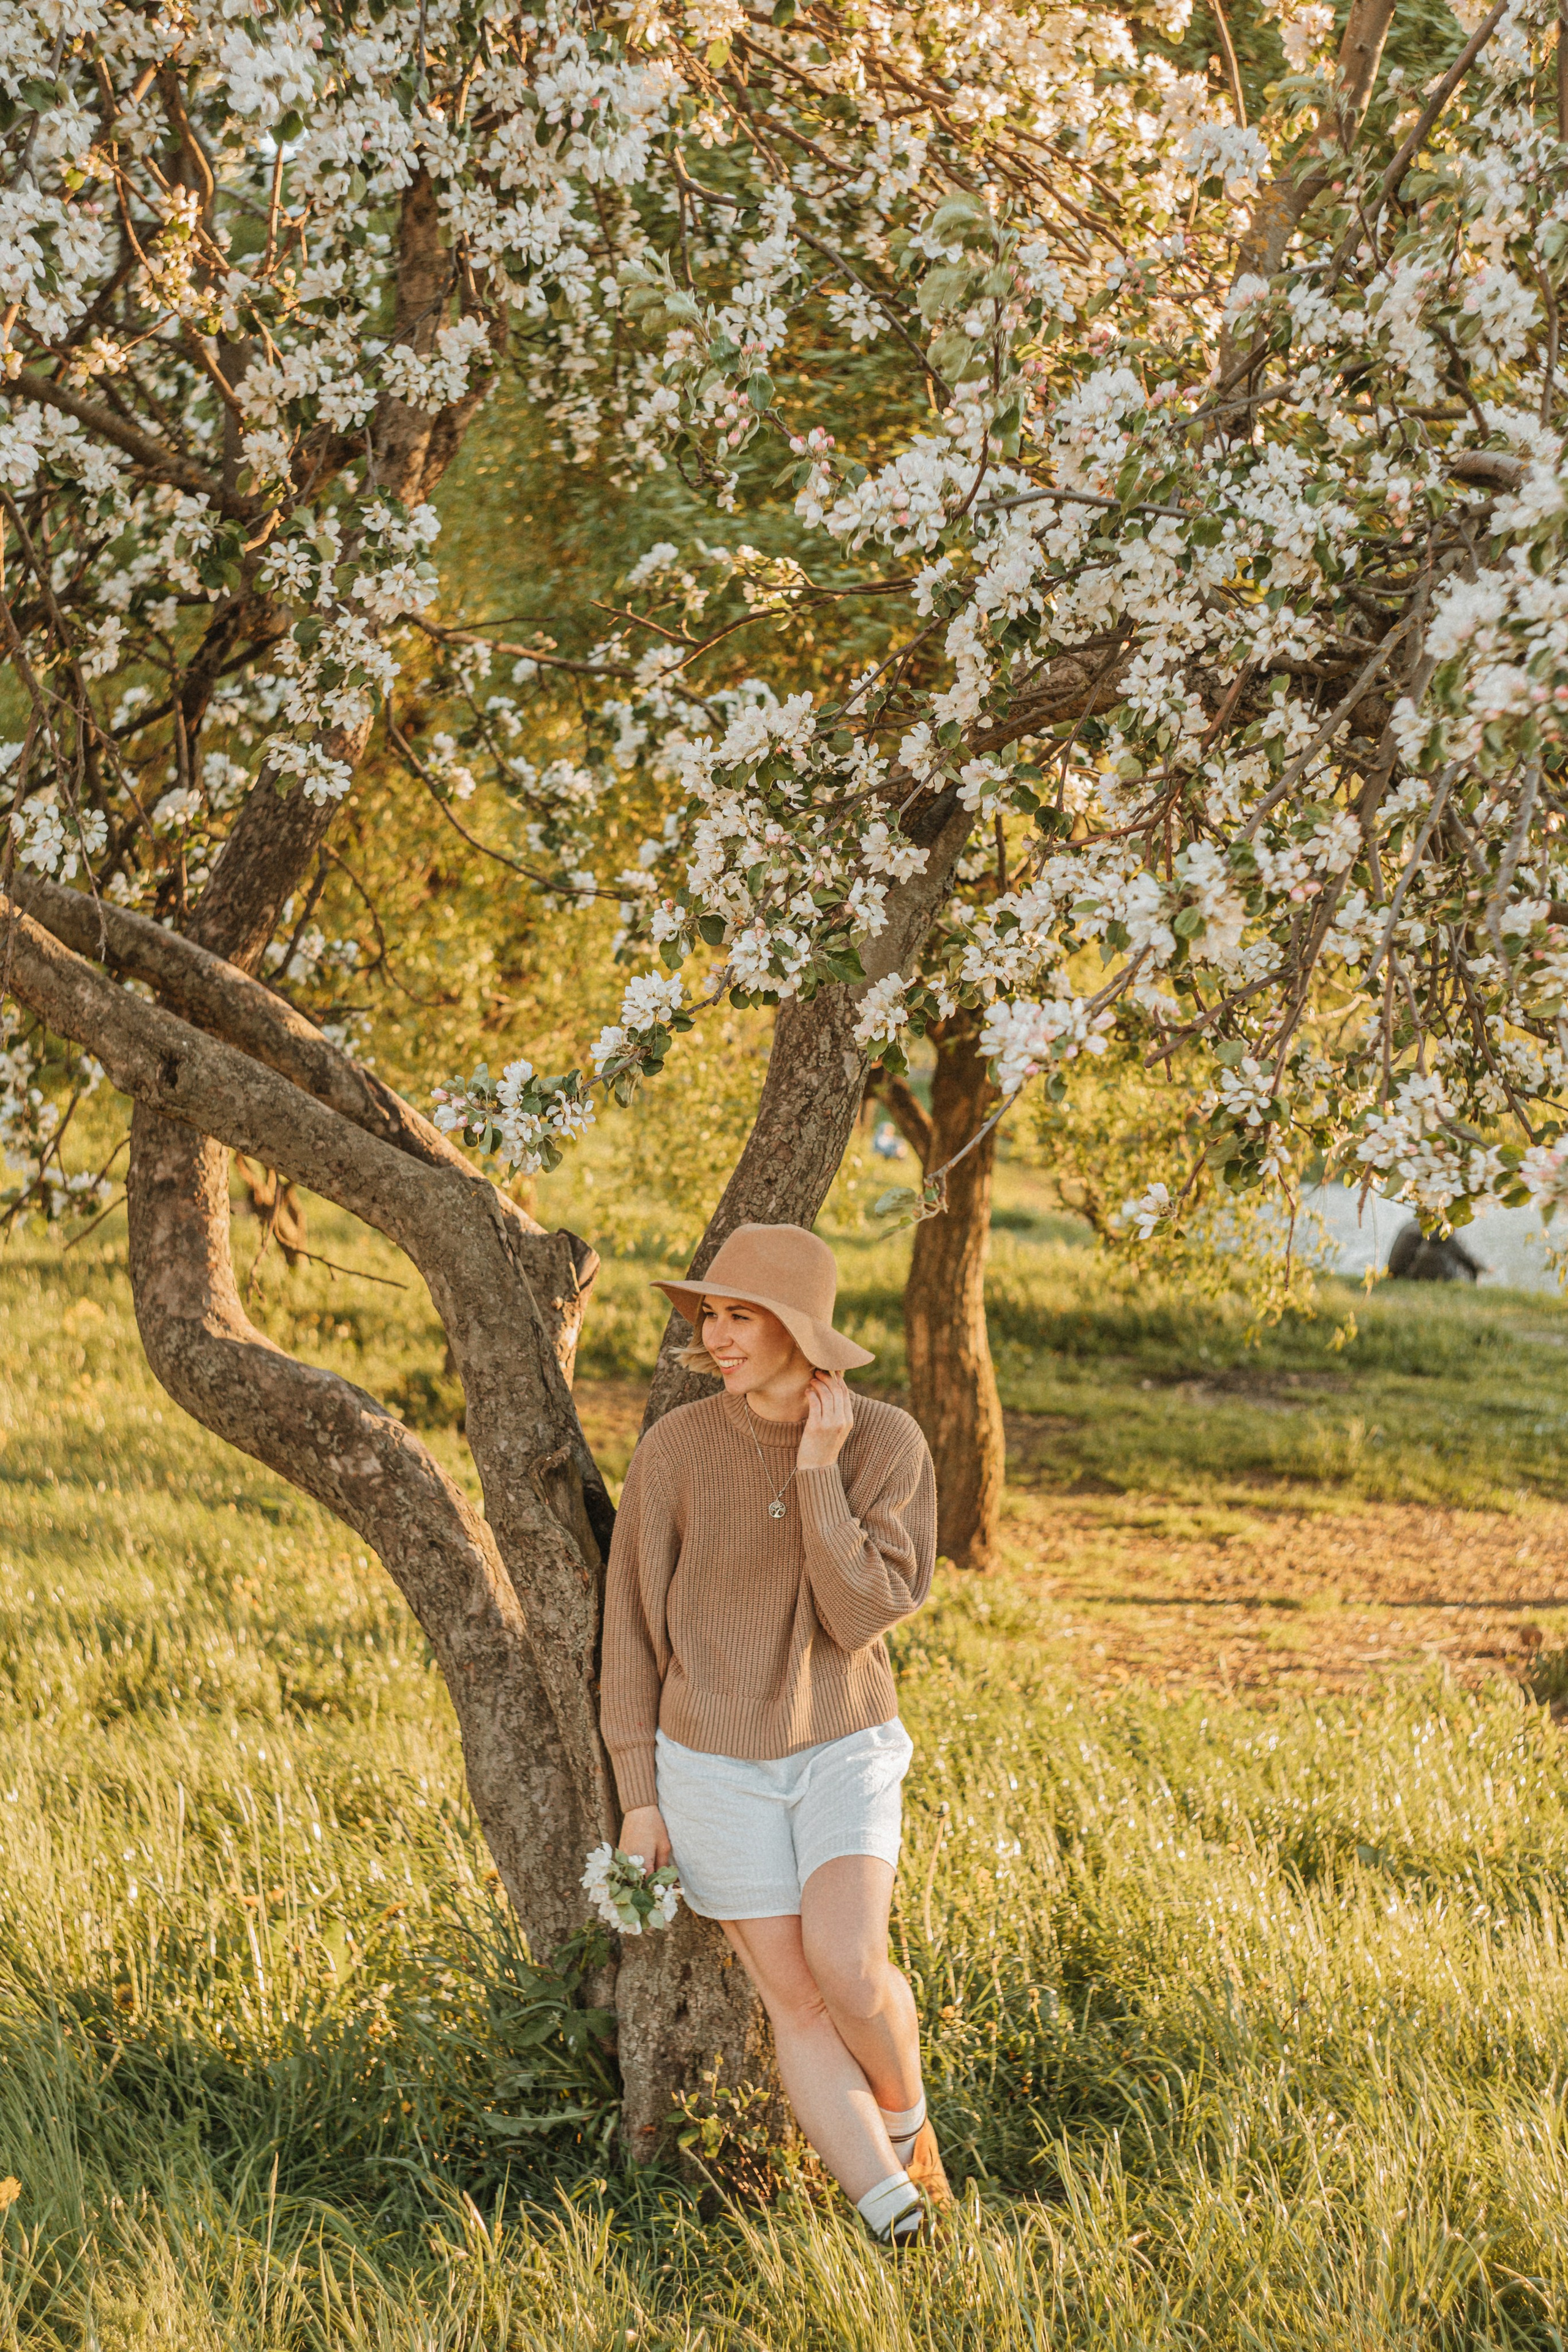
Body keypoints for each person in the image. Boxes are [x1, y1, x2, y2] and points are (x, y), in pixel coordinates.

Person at [601, 1221, 946, 2245]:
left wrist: (818, 1471)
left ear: (800, 1328)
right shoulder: (676, 1449)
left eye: (739, 1316)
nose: (714, 1336)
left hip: (842, 1743)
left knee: (849, 1963)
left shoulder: (886, 1442)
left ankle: (911, 2130)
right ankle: (898, 2220)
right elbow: (629, 1628)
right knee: (793, 1996)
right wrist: (639, 1797)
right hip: (710, 1764)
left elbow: (861, 1613)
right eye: (710, 1314)